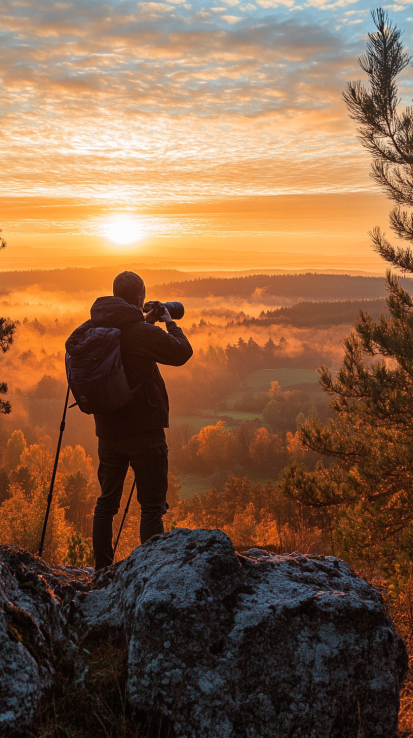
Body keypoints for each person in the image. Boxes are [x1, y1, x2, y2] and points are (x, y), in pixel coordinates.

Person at [90, 270, 193, 569]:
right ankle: (148, 575)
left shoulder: (100, 327)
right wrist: (170, 323)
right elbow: (182, 352)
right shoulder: (141, 333)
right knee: (151, 508)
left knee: (106, 504)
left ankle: (102, 572)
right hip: (145, 433)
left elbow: (129, 341)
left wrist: (146, 321)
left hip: (108, 432)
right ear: (139, 299)